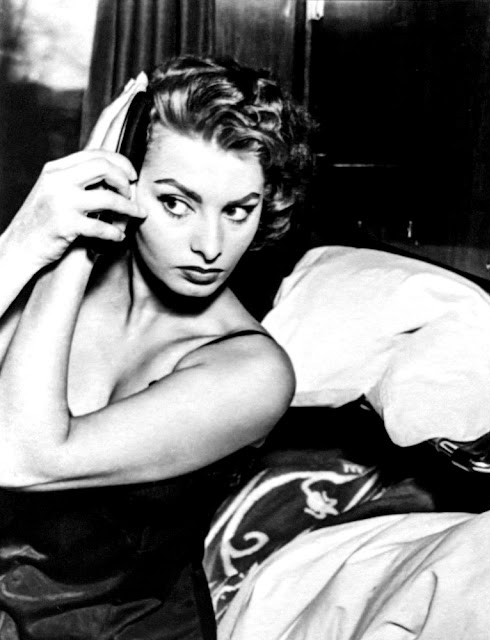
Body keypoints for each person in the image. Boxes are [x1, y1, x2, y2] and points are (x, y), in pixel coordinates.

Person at [0, 55, 314, 639]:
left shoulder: (252, 371)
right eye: (176, 202)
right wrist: (22, 240)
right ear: (123, 180)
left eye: (238, 210)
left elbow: (19, 457)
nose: (210, 245)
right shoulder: (46, 288)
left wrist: (76, 249)